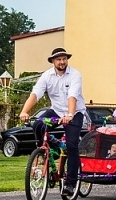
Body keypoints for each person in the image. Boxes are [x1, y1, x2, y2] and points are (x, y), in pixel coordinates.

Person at [18, 47, 86, 189]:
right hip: (56, 111)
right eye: (58, 59)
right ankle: (46, 150)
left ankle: (71, 184)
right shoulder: (47, 76)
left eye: (64, 59)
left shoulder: (75, 75)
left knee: (72, 146)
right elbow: (36, 94)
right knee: (37, 124)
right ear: (53, 61)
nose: (62, 62)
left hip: (75, 113)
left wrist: (70, 115)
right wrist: (24, 111)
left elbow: (72, 96)